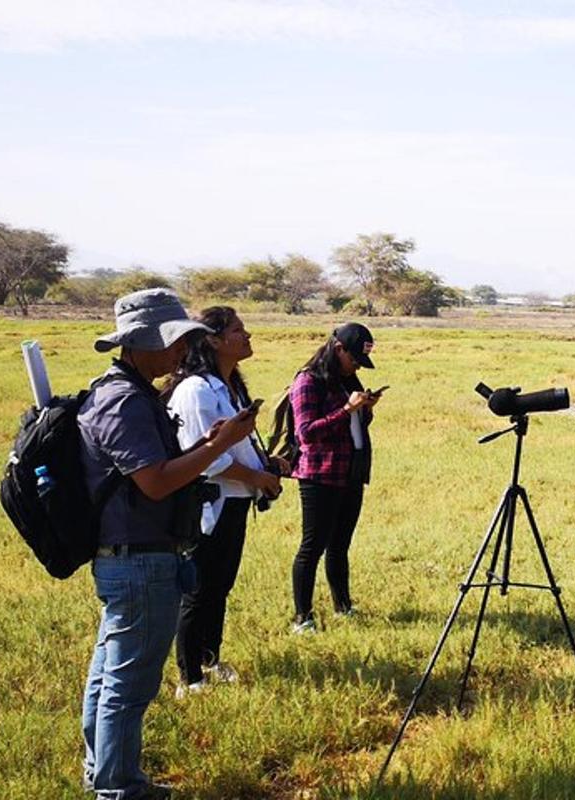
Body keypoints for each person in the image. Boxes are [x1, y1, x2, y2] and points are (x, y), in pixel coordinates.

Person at [78, 289, 256, 800]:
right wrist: (218, 448)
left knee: (111, 677)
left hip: (136, 555)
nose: (180, 351)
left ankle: (105, 776)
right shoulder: (125, 400)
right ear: (139, 344)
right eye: (171, 342)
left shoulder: (128, 391)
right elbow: (155, 482)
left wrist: (207, 444)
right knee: (127, 688)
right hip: (138, 559)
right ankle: (119, 788)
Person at [162, 307, 285, 698]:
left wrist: (266, 464)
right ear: (212, 339)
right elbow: (207, 457)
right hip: (207, 504)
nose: (247, 335)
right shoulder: (196, 390)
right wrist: (257, 477)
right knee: (197, 590)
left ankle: (210, 659)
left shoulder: (229, 386)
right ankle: (189, 676)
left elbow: (237, 444)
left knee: (219, 587)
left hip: (233, 501)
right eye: (238, 330)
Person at [288, 322, 381, 633]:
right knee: (312, 546)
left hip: (351, 472)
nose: (356, 365)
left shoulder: (346, 379)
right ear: (338, 348)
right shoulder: (308, 381)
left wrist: (365, 409)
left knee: (340, 545)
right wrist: (346, 409)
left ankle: (343, 606)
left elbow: (355, 426)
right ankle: (303, 617)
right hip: (319, 475)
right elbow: (307, 434)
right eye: (353, 358)